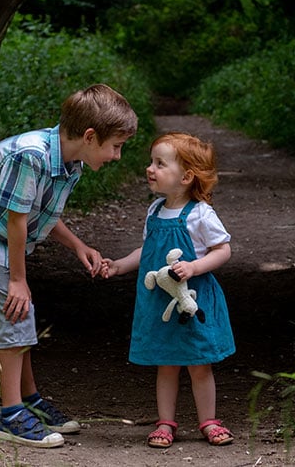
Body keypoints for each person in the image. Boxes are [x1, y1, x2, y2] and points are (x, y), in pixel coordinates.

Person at [0, 84, 138, 448]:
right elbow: (16, 220)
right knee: (16, 314)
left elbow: (38, 212)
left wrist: (79, 246)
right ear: (90, 136)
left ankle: (29, 402)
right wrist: (17, 279)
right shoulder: (31, 155)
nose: (117, 156)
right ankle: (11, 416)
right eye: (116, 146)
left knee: (20, 313)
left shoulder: (70, 163)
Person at [101, 132, 236, 449]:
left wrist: (194, 267)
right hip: (162, 301)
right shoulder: (155, 211)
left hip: (192, 302)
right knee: (166, 364)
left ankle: (209, 421)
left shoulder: (201, 214)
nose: (150, 168)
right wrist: (120, 265)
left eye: (160, 163)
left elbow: (223, 250)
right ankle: (165, 422)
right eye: (152, 162)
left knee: (199, 364)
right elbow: (147, 250)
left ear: (187, 176)